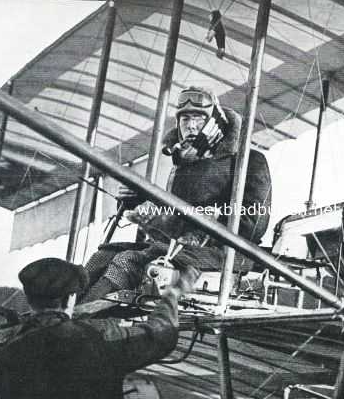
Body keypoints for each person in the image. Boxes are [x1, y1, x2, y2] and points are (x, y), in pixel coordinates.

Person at [80, 86, 272, 302]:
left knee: (127, 260)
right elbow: (176, 216)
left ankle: (79, 319)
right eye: (185, 119)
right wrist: (139, 200)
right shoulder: (183, 166)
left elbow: (254, 223)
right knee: (102, 256)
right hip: (180, 247)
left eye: (199, 118)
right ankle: (65, 309)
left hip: (227, 254)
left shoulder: (249, 161)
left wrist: (208, 218)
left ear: (214, 123)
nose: (190, 125)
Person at [0, 257, 198, 399]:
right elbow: (161, 334)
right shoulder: (100, 336)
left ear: (29, 298)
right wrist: (172, 295)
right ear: (71, 298)